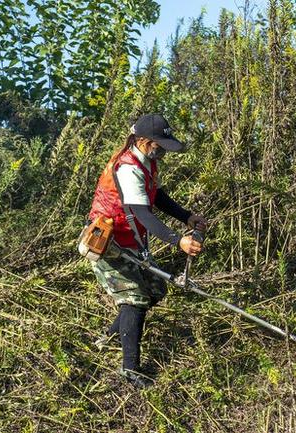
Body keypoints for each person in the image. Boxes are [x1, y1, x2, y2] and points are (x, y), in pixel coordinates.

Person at [86, 113, 207, 388]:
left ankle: (110, 336)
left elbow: (156, 195)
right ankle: (131, 370)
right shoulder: (127, 168)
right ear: (142, 141)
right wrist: (179, 241)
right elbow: (143, 214)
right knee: (134, 298)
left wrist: (186, 216)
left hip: (129, 241)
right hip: (108, 241)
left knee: (155, 289)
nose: (163, 150)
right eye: (160, 145)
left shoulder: (146, 161)